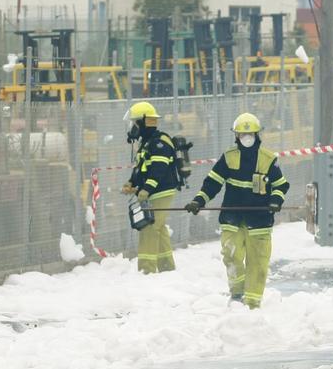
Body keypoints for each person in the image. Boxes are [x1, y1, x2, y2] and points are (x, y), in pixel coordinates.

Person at [185, 113, 290, 308]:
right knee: (231, 255)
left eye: (250, 134)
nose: (246, 138)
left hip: (259, 221)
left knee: (258, 264)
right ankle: (237, 294)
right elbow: (212, 183)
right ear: (236, 136)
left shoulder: (268, 160)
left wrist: (275, 201)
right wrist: (199, 200)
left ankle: (251, 304)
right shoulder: (229, 158)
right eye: (242, 134)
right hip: (232, 218)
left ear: (257, 135)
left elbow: (281, 185)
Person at [122, 101, 179, 274]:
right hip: (152, 191)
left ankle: (146, 270)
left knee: (149, 227)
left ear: (144, 123)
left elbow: (158, 170)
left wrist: (146, 188)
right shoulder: (147, 143)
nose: (133, 128)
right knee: (158, 228)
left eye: (135, 123)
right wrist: (131, 183)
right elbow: (141, 168)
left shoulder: (159, 143)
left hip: (161, 191)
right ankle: (167, 268)